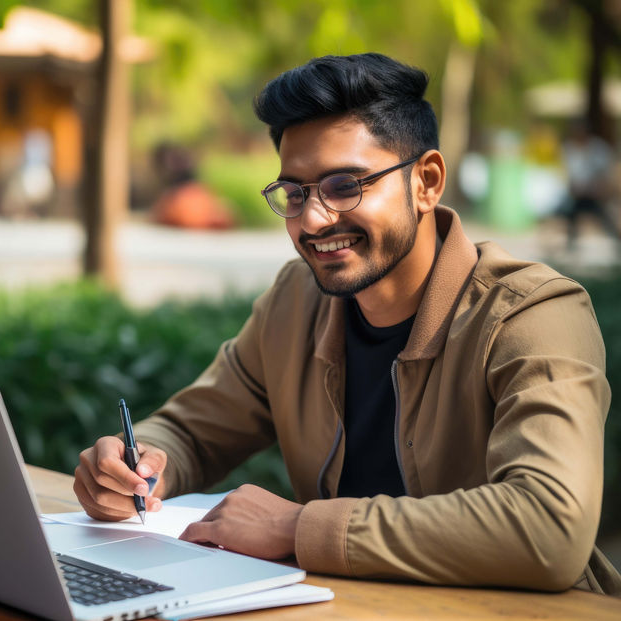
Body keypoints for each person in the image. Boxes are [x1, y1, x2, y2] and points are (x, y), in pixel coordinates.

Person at [73, 53, 621, 595]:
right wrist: (135, 464)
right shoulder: (296, 302)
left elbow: (551, 526)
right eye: (295, 193)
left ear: (427, 182)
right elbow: (193, 430)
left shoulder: (532, 314)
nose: (313, 219)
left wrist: (296, 528)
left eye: (345, 185)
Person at [560, 119, 620, 251]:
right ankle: (571, 247)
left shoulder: (598, 148)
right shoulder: (569, 148)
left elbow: (605, 174)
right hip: (577, 194)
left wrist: (602, 190)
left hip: (595, 194)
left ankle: (617, 244)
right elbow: (568, 172)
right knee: (571, 219)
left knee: (606, 220)